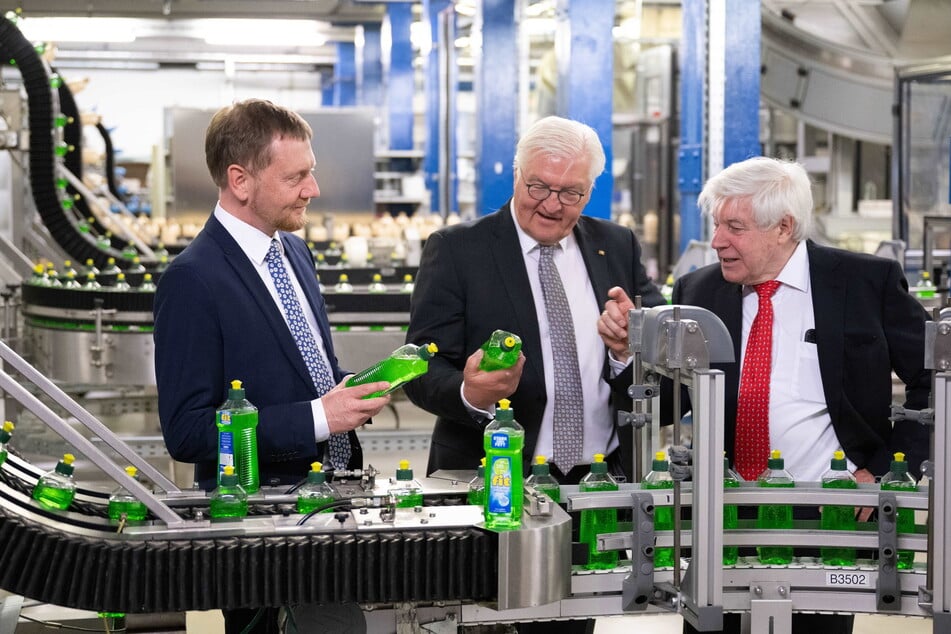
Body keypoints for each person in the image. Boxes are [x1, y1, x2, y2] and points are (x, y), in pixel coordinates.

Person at [598, 156, 931, 634]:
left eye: (734, 227)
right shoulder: (699, 289)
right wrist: (627, 355)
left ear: (783, 227)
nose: (717, 242)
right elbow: (674, 395)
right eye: (717, 225)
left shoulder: (864, 282)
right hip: (721, 516)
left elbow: (935, 380)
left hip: (829, 516)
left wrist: (883, 470)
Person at [154, 99, 389, 634]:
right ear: (240, 180)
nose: (314, 189)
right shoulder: (192, 279)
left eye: (313, 172)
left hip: (331, 505)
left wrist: (345, 395)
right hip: (261, 529)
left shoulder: (295, 253)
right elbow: (187, 432)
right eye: (297, 177)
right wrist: (318, 418)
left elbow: (304, 370)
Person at [404, 115, 665, 488]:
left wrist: (628, 349)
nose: (552, 205)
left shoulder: (617, 245)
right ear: (517, 175)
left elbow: (663, 355)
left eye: (570, 193)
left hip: (604, 479)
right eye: (539, 186)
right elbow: (421, 366)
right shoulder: (458, 250)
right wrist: (469, 392)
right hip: (493, 477)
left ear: (589, 191)